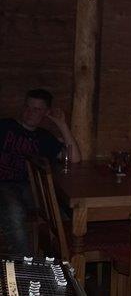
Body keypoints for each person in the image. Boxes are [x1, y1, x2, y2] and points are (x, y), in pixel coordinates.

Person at [0, 89, 82, 253]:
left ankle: (64, 261)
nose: (30, 112)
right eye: (28, 107)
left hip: (31, 187)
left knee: (62, 214)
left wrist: (62, 125)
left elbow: (74, 158)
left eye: (37, 109)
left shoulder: (44, 137)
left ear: (45, 113)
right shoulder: (5, 126)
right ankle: (24, 264)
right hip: (4, 184)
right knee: (15, 212)